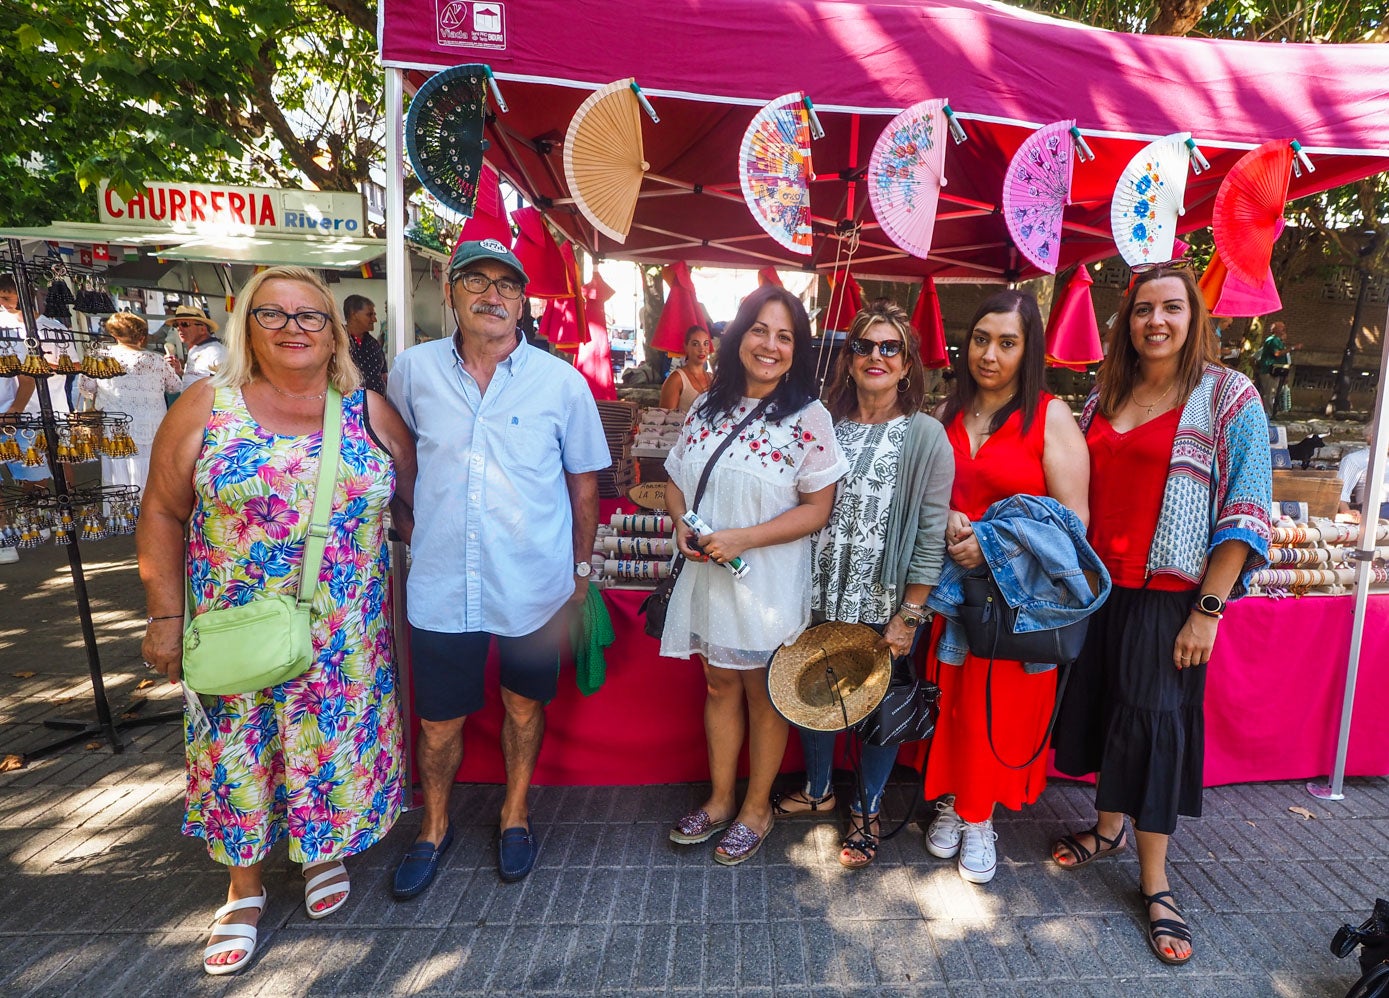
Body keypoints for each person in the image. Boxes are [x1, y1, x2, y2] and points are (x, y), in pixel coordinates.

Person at [137, 265, 417, 975]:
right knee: (239, 754)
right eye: (273, 314)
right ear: (247, 328)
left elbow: (411, 507)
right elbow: (163, 511)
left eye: (309, 316)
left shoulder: (368, 410)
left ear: (334, 334)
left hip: (344, 636)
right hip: (240, 629)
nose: (293, 328)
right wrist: (166, 614)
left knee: (330, 752)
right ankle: (244, 887)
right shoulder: (207, 405)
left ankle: (321, 851)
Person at [1052, 262, 1271, 966]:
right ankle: (1106, 828)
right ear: (1125, 321)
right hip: (1097, 588)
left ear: (1193, 315)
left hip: (1169, 592)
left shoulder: (1227, 396)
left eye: (1170, 308)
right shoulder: (1101, 395)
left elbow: (1245, 510)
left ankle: (1154, 882)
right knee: (1106, 710)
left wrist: (1207, 610)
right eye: (1142, 309)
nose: (1155, 322)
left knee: (1151, 726)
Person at [385, 239, 610, 895]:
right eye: (477, 281)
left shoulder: (560, 382)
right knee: (438, 721)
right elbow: (399, 467)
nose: (492, 295)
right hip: (440, 583)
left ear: (522, 300)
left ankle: (514, 813)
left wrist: (579, 569)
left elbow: (584, 490)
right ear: (449, 290)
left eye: (507, 286)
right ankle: (433, 826)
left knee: (522, 706)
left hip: (532, 584)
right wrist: (411, 531)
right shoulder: (412, 371)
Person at [662, 284, 848, 865]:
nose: (770, 345)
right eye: (760, 330)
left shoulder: (807, 417)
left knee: (763, 692)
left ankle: (756, 808)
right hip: (707, 575)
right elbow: (676, 479)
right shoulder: (704, 405)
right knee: (719, 683)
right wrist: (679, 527)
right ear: (738, 336)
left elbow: (819, 508)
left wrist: (742, 537)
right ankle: (720, 800)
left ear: (799, 349)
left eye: (785, 336)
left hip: (766, 579)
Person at [921, 289, 1090, 886]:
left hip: (1016, 601)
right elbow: (924, 494)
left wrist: (991, 544)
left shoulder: (1051, 416)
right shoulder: (945, 414)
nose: (990, 354)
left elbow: (1074, 524)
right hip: (949, 595)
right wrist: (941, 520)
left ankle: (980, 818)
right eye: (981, 339)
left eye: (1007, 342)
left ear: (1029, 349)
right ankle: (954, 800)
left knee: (1000, 706)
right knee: (954, 703)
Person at [776, 302, 953, 868]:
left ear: (907, 365)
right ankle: (819, 788)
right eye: (863, 346)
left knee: (880, 706)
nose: (875, 356)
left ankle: (869, 809)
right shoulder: (819, 422)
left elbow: (930, 533)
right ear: (848, 359)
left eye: (889, 348)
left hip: (884, 601)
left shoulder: (926, 436)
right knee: (814, 691)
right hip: (816, 590)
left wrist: (911, 613)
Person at [78, 313, 180, 493]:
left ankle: (123, 516)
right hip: (151, 425)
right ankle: (150, 513)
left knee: (119, 471)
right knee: (151, 471)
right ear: (141, 335)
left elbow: (86, 387)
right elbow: (174, 386)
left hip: (118, 426)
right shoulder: (155, 359)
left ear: (114, 334)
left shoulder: (100, 357)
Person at [164, 304, 227, 391]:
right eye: (176, 325)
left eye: (185, 324)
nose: (179, 328)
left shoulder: (215, 351)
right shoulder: (195, 349)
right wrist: (180, 371)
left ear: (202, 329)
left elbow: (228, 385)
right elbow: (196, 378)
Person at [1338, 423, 1389, 521]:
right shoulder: (1356, 459)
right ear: (1374, 437)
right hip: (1375, 510)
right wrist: (1346, 512)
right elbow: (1341, 492)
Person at [658, 324, 712, 411]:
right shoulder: (676, 379)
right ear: (686, 347)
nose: (702, 349)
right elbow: (666, 419)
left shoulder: (713, 379)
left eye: (706, 343)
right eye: (695, 344)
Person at [343, 294, 388, 395]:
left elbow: (384, 374)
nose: (374, 319)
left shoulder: (373, 344)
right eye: (369, 315)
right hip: (347, 406)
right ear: (354, 314)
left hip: (376, 404)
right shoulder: (335, 341)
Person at [1255, 320, 1300, 414]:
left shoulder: (1278, 341)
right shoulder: (1272, 340)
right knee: (1269, 394)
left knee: (1273, 394)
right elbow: (1277, 353)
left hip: (1276, 371)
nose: (1284, 329)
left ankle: (1270, 413)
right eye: (1281, 327)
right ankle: (1267, 414)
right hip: (1269, 371)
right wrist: (1292, 348)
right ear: (1275, 330)